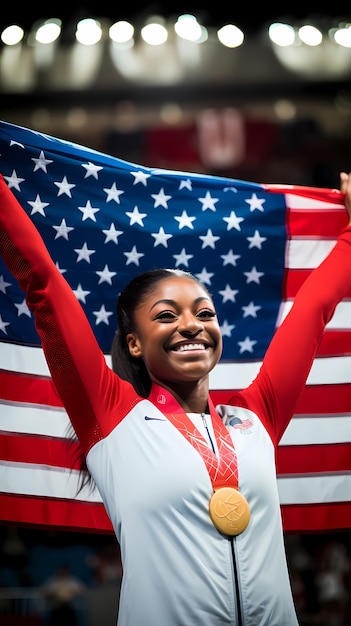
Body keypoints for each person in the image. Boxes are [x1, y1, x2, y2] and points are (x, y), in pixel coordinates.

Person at [0, 170, 351, 626]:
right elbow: (42, 284)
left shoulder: (256, 416)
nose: (192, 325)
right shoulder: (113, 419)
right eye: (167, 316)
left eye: (204, 312)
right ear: (133, 344)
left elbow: (313, 311)